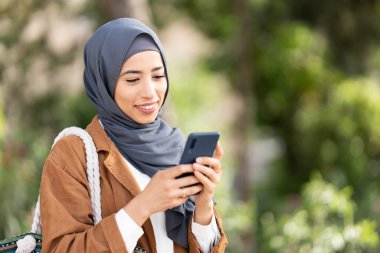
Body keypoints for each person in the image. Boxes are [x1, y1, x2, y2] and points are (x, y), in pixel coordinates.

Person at [40, 18, 227, 253]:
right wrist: (143, 205)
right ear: (104, 84)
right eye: (132, 79)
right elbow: (61, 249)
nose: (150, 93)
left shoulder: (176, 147)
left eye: (158, 77)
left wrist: (203, 204)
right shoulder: (73, 154)